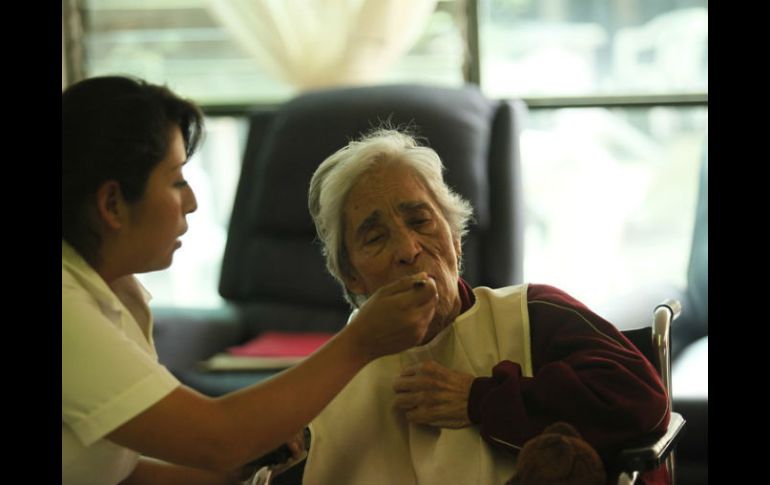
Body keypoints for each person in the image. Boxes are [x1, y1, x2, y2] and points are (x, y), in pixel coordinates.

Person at [62, 76, 437, 485]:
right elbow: (216, 437)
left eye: (421, 221)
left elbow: (120, 472)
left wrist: (236, 471)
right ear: (112, 204)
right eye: (176, 180)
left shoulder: (114, 290)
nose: (192, 201)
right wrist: (361, 341)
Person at [303, 128, 672, 485]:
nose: (408, 250)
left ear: (455, 237)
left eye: (420, 221)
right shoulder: (338, 372)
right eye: (376, 237)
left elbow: (645, 405)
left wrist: (482, 400)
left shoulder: (534, 313)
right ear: (352, 277)